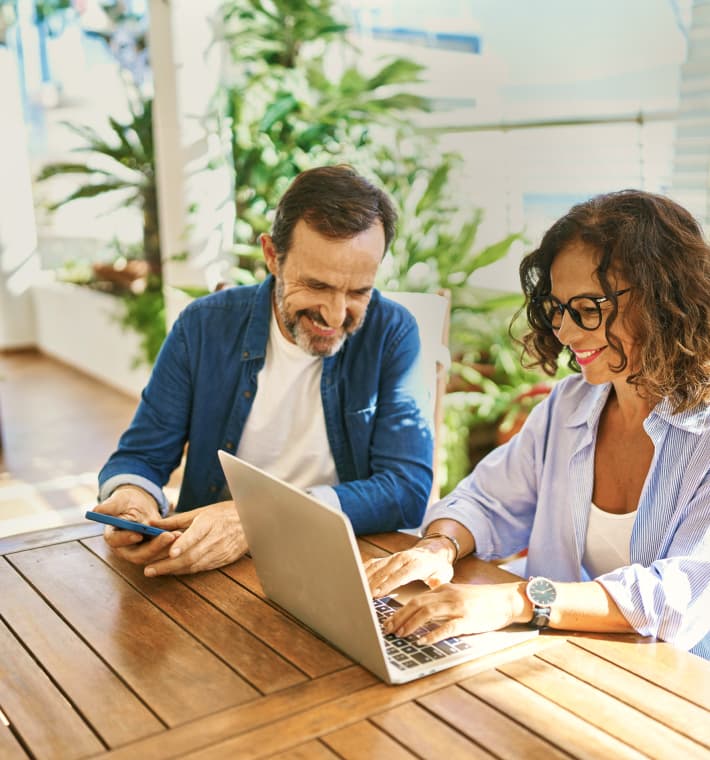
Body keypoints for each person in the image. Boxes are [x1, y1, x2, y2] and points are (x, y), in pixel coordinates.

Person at [365, 189, 710, 659]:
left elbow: (675, 595)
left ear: (662, 298)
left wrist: (518, 600)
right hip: (559, 659)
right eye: (559, 310)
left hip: (674, 687)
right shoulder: (571, 405)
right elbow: (486, 501)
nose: (565, 334)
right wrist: (438, 547)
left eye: (588, 310)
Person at [94, 165, 434, 576]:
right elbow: (142, 455)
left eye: (359, 291)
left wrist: (260, 519)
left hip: (337, 561)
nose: (336, 314)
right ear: (272, 256)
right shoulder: (201, 326)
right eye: (318, 286)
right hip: (210, 566)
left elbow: (406, 490)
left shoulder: (392, 333)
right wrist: (134, 498)